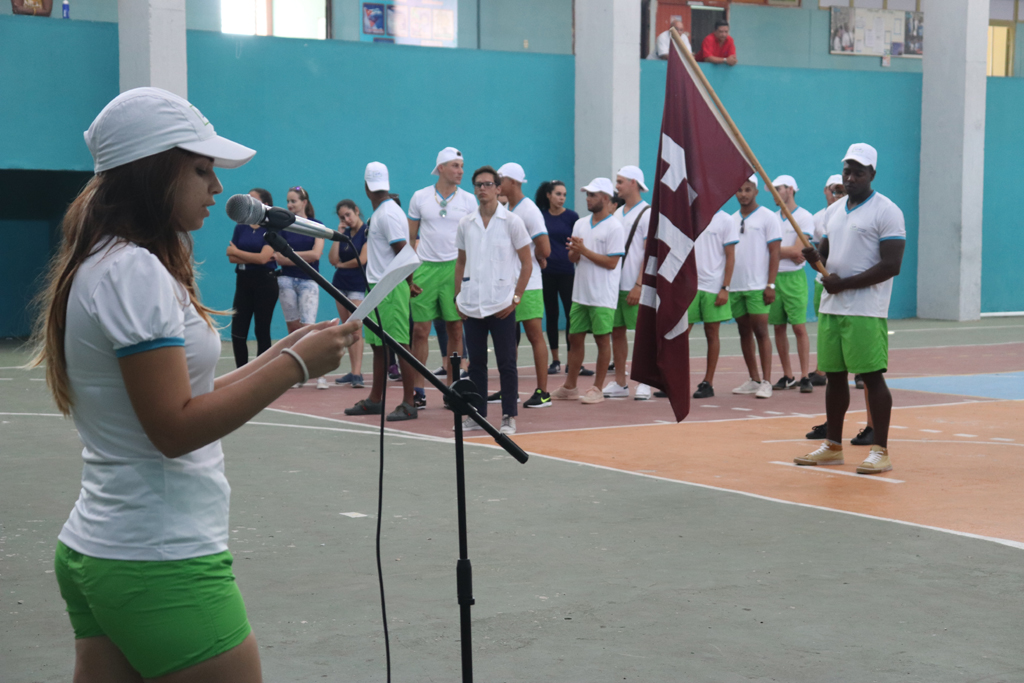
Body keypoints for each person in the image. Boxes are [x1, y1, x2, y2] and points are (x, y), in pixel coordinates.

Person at [34, 87, 358, 682]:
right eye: (202, 170)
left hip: (104, 549)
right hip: (158, 559)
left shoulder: (107, 261)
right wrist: (298, 367)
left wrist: (285, 349)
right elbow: (174, 428)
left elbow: (184, 390)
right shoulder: (135, 271)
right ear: (154, 173)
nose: (216, 188)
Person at [795, 143, 906, 475]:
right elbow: (827, 259)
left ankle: (880, 450)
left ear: (872, 174)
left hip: (866, 310)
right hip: (833, 307)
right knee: (835, 378)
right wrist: (816, 261)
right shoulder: (833, 211)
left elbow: (891, 265)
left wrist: (845, 283)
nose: (851, 177)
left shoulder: (887, 211)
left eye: (859, 172)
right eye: (847, 170)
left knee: (871, 377)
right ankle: (832, 445)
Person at [455, 166, 533, 435]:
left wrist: (516, 298)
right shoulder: (466, 223)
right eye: (478, 184)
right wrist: (458, 297)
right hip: (472, 306)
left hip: (502, 306)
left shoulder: (512, 222)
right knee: (476, 364)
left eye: (488, 184)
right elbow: (461, 261)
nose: (482, 189)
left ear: (499, 188)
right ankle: (477, 415)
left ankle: (509, 415)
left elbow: (526, 263)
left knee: (507, 363)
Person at [344, 162, 419, 422]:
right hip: (378, 287)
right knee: (379, 347)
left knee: (400, 346)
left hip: (389, 287)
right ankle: (376, 400)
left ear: (366, 187)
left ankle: (409, 403)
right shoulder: (383, 212)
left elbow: (404, 251)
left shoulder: (386, 214)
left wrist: (407, 282)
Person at [406, 147, 477, 410]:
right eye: (455, 166)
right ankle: (418, 390)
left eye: (461, 165)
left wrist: (470, 276)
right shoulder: (420, 197)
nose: (460, 171)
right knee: (420, 331)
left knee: (455, 329)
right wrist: (408, 275)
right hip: (425, 269)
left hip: (454, 270)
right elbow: (409, 239)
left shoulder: (469, 201)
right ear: (441, 168)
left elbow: (473, 239)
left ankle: (453, 389)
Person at [551, 178, 625, 405]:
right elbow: (574, 258)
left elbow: (612, 263)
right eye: (587, 194)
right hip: (580, 293)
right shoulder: (580, 223)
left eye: (592, 195)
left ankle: (597, 388)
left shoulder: (615, 227)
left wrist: (584, 250)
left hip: (603, 295)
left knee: (603, 340)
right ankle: (570, 387)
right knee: (575, 338)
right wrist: (575, 252)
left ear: (605, 198)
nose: (588, 198)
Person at [497, 162, 553, 409]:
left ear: (514, 182)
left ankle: (542, 392)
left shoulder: (529, 210)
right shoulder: (508, 207)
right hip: (509, 285)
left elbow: (545, 248)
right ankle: (510, 390)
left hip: (528, 285)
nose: (498, 184)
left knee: (534, 335)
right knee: (509, 338)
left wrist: (538, 256)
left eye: (501, 179)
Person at [730, 175, 781, 399]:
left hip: (758, 286)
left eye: (748, 189)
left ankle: (767, 381)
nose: (743, 194)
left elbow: (775, 253)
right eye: (740, 190)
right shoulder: (730, 220)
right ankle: (753, 379)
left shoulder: (768, 218)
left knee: (761, 331)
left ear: (756, 192)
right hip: (735, 287)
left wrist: (770, 284)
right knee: (743, 332)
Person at [604, 166, 652, 401]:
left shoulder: (647, 213)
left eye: (621, 181)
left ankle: (644, 382)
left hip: (635, 285)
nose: (617, 186)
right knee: (617, 332)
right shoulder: (617, 213)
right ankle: (621, 382)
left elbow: (649, 252)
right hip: (615, 285)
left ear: (634, 183)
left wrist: (639, 284)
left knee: (642, 334)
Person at [273, 186, 327, 388]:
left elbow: (316, 254)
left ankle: (319, 372)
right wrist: (296, 257)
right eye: (288, 201)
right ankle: (296, 372)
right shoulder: (283, 227)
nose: (289, 205)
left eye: (293, 201)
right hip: (286, 281)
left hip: (309, 282)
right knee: (293, 329)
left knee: (309, 327)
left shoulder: (317, 226)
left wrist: (291, 255)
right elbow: (278, 257)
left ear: (304, 202)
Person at [536, 180, 590, 377]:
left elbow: (576, 243)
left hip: (567, 272)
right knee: (551, 315)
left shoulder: (572, 217)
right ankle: (555, 360)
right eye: (558, 194)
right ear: (549, 195)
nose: (561, 198)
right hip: (547, 273)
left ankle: (572, 361)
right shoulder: (540, 216)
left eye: (564, 194)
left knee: (570, 316)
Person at [769, 175, 815, 393]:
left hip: (794, 279)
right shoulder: (772, 218)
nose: (775, 192)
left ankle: (805, 375)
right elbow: (766, 249)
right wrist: (784, 253)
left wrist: (774, 252)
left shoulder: (805, 217)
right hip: (774, 277)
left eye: (778, 188)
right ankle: (788, 375)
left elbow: (799, 250)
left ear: (790, 189)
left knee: (798, 327)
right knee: (778, 327)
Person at [686, 210, 738, 399]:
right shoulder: (690, 216)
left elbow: (730, 255)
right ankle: (676, 381)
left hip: (713, 286)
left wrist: (725, 287)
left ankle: (708, 382)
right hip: (690, 287)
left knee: (711, 333)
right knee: (681, 334)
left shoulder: (725, 219)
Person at [226, 187, 278, 368]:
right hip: (243, 281)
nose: (247, 202)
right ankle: (241, 371)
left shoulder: (272, 228)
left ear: (265, 205)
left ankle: (262, 373)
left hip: (265, 282)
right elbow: (230, 256)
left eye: (252, 199)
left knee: (261, 330)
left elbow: (264, 258)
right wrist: (249, 256)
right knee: (238, 331)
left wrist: (238, 252)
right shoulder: (240, 226)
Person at [328, 199, 368, 388]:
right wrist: (339, 234)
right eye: (342, 217)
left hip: (357, 285)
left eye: (348, 215)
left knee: (356, 327)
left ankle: (358, 373)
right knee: (347, 327)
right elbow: (332, 259)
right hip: (340, 285)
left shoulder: (366, 232)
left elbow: (362, 260)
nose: (346, 219)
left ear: (357, 210)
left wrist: (341, 265)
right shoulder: (344, 234)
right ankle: (353, 371)